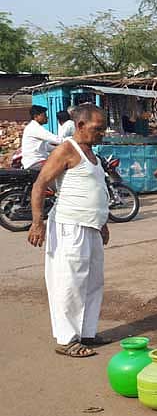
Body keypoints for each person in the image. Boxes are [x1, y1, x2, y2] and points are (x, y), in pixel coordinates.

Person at [27, 105, 110, 358]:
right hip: (69, 226)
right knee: (69, 283)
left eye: (103, 129)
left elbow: (96, 191)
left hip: (91, 227)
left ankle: (86, 332)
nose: (101, 133)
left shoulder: (92, 155)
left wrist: (103, 223)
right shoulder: (66, 150)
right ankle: (66, 339)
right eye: (97, 129)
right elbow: (40, 184)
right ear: (80, 126)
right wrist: (37, 222)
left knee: (93, 282)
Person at [21, 105, 63, 169]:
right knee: (64, 164)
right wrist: (74, 140)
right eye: (44, 115)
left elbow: (45, 146)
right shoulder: (35, 128)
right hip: (35, 162)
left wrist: (58, 148)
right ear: (36, 117)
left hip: (36, 161)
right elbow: (56, 140)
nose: (47, 117)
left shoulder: (34, 127)